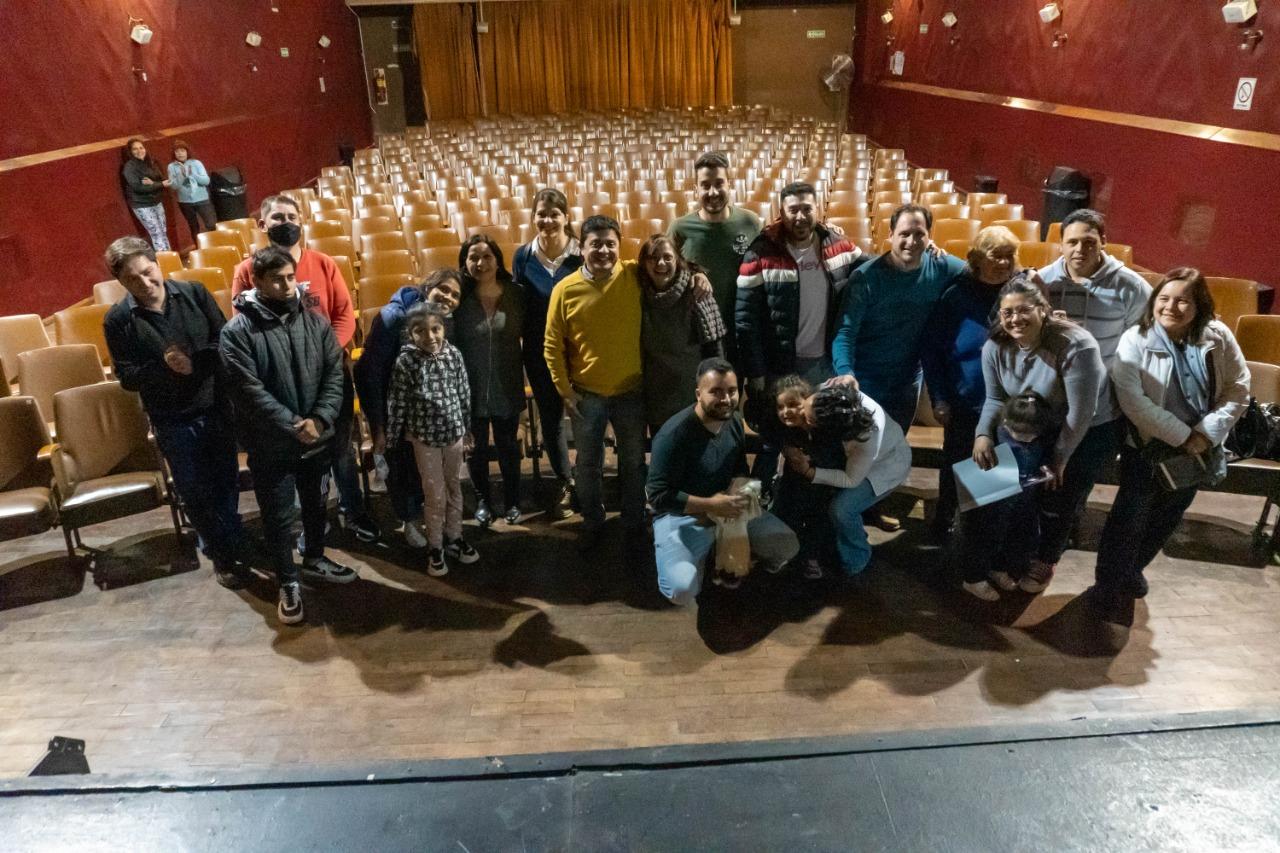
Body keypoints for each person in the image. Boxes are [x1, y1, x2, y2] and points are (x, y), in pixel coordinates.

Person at [1089, 268, 1249, 616]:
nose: (1171, 307)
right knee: (1130, 517)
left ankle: (1133, 570)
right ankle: (1107, 585)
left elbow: (1238, 388)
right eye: (1164, 298)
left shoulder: (1218, 336)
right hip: (1148, 446)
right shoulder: (1136, 338)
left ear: (1199, 305)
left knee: (1169, 515)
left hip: (1199, 447)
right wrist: (1183, 436)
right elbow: (1132, 399)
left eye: (1182, 301)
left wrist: (1204, 434)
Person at [219, 247, 356, 625]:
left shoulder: (315, 323)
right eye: (276, 279)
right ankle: (288, 582)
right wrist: (296, 425)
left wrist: (320, 419)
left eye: (291, 277)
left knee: (316, 506)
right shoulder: (237, 332)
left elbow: (334, 375)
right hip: (272, 444)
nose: (286, 285)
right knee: (279, 517)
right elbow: (248, 391)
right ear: (257, 281)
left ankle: (314, 557)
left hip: (316, 437)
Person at [101, 237, 248, 589]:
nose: (144, 283)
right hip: (171, 418)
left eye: (147, 272)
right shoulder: (117, 320)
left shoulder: (194, 294)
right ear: (121, 281)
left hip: (214, 405)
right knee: (194, 490)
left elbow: (225, 341)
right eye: (132, 279)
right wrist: (162, 368)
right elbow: (127, 377)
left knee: (226, 480)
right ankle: (222, 554)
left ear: (158, 264)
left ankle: (230, 537)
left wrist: (194, 363)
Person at [231, 194, 377, 543]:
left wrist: (324, 356)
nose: (286, 223)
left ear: (302, 220)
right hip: (284, 381)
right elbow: (244, 322)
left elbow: (344, 315)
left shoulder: (324, 264)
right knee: (299, 452)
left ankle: (353, 511)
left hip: (330, 374)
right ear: (262, 225)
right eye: (277, 217)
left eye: (291, 216)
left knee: (341, 449)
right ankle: (313, 521)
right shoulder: (248, 270)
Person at [1035, 208, 1152, 587]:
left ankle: (1047, 558)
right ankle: (1013, 548)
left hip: (1100, 413)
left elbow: (1144, 346)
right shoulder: (1042, 281)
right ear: (1060, 244)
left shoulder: (1131, 287)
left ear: (1104, 241)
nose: (1080, 249)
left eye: (1089, 241)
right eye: (1072, 241)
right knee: (1028, 483)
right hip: (1046, 408)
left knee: (1068, 493)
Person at [972, 277, 1106, 593]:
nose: (1015, 319)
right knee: (994, 500)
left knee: (1050, 502)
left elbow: (1081, 412)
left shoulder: (1077, 344)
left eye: (1024, 310)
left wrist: (1059, 458)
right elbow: (995, 397)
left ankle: (1038, 561)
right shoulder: (994, 346)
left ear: (1042, 309)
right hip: (1020, 430)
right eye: (1007, 312)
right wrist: (983, 434)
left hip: (1073, 430)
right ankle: (982, 568)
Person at [736, 181, 861, 490]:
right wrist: (756, 373)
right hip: (780, 367)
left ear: (818, 210)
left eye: (807, 208)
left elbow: (876, 267)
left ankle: (813, 497)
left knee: (823, 437)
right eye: (793, 210)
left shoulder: (837, 245)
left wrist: (928, 252)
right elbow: (746, 320)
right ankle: (760, 499)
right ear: (782, 212)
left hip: (823, 365)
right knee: (773, 440)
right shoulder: (761, 251)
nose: (801, 216)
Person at [646, 358, 799, 605]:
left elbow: (738, 466)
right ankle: (706, 555)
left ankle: (722, 549)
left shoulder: (733, 421)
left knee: (787, 546)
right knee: (681, 590)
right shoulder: (672, 435)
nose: (726, 399)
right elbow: (657, 496)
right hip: (683, 516)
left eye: (731, 391)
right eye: (716, 391)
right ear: (698, 394)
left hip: (727, 506)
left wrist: (742, 490)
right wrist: (711, 505)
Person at [543, 215, 649, 551]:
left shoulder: (635, 275)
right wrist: (565, 391)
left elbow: (673, 268)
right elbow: (552, 345)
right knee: (588, 465)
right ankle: (592, 520)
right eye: (595, 244)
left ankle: (634, 520)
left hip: (631, 391)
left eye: (610, 244)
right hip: (586, 396)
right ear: (582, 247)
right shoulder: (564, 289)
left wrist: (699, 276)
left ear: (619, 245)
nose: (603, 251)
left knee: (633, 463)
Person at [921, 225, 1024, 539]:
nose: (1004, 263)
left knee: (994, 475)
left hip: (1008, 404)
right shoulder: (956, 294)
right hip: (964, 399)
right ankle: (946, 520)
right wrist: (939, 397)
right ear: (978, 258)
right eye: (996, 255)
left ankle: (979, 536)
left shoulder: (1021, 293)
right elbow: (932, 349)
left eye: (1009, 256)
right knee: (956, 465)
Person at [357, 270, 464, 546]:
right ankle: (410, 519)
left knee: (425, 471)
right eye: (443, 289)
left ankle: (431, 518)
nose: (448, 297)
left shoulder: (443, 321)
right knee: (402, 468)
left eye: (455, 295)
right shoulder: (394, 317)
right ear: (427, 286)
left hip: (426, 415)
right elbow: (369, 373)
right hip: (396, 410)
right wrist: (378, 426)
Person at [773, 383, 912, 578]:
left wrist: (810, 472)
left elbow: (850, 479)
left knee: (842, 509)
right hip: (849, 460)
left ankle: (857, 558)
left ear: (831, 428)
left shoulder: (867, 435)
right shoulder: (832, 394)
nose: (803, 416)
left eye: (809, 420)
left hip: (885, 465)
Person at [385, 302, 480, 577]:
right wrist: (392, 439)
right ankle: (435, 546)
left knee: (454, 488)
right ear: (410, 333)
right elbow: (397, 402)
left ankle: (455, 537)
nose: (430, 336)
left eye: (436, 329)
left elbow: (464, 392)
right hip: (424, 438)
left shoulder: (453, 354)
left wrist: (467, 428)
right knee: (434, 493)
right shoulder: (406, 362)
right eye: (421, 331)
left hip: (453, 435)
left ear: (444, 328)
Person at [511, 188, 581, 521]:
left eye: (555, 214)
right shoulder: (523, 257)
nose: (548, 220)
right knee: (551, 419)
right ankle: (566, 481)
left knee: (586, 417)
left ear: (566, 217)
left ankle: (589, 479)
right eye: (542, 213)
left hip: (580, 351)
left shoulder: (581, 253)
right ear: (533, 217)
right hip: (539, 352)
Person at [957, 392, 1060, 601]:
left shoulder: (1041, 440)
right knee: (986, 536)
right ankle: (974, 578)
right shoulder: (997, 439)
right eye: (1018, 433)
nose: (1025, 439)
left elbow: (1044, 458)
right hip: (994, 502)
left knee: (1014, 536)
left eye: (1031, 434)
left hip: (1022, 501)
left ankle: (998, 568)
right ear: (1005, 422)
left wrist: (1046, 468)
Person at [453, 236, 526, 526]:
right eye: (473, 257)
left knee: (508, 446)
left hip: (507, 382)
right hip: (470, 385)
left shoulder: (516, 294)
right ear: (464, 263)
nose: (480, 263)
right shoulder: (458, 298)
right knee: (476, 448)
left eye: (486, 257)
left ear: (497, 261)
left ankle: (513, 500)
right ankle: (483, 500)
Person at [668, 151, 761, 365]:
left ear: (730, 184)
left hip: (741, 327)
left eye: (719, 183)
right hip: (699, 331)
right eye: (705, 185)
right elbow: (665, 271)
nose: (713, 192)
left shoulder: (750, 222)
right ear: (696, 190)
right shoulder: (680, 228)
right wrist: (692, 273)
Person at [638, 234, 726, 434]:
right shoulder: (636, 290)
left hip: (691, 392)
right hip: (655, 394)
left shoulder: (697, 291)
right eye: (653, 258)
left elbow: (714, 349)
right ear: (644, 263)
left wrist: (715, 388)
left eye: (667, 257)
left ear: (677, 260)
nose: (661, 263)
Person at [120, 137, 170, 251]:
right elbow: (138, 187)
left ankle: (170, 258)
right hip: (142, 205)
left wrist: (153, 183)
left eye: (141, 148)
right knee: (156, 233)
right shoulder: (129, 167)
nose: (139, 151)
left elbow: (160, 179)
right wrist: (159, 184)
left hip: (157, 201)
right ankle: (165, 260)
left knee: (163, 231)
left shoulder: (150, 162)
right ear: (130, 152)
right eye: (135, 149)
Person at [166, 140, 216, 242]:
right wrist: (182, 175)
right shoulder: (171, 167)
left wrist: (192, 174)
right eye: (177, 151)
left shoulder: (196, 163)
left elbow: (206, 181)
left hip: (202, 200)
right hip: (185, 202)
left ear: (187, 151)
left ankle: (216, 244)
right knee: (194, 227)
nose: (180, 153)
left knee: (211, 224)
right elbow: (174, 186)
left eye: (182, 150)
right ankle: (199, 247)